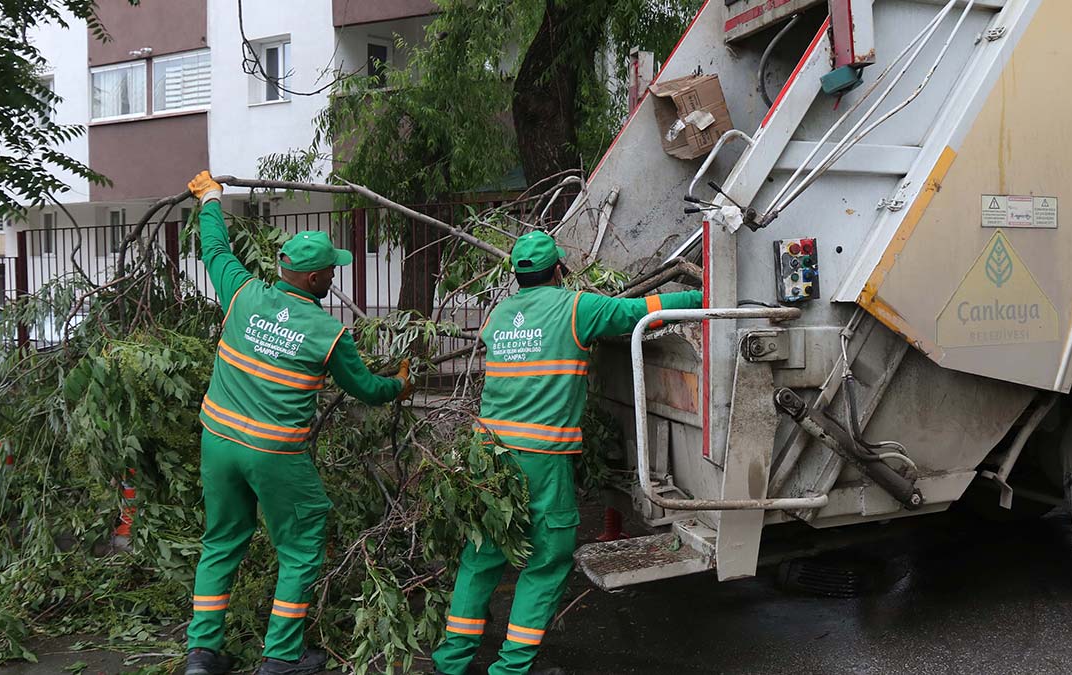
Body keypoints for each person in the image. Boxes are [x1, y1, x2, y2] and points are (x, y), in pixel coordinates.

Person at [431, 231, 703, 675]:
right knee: (547, 557)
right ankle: (512, 668)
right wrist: (704, 294)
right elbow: (641, 312)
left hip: (489, 455)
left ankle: (450, 662)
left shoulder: (497, 316)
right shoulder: (577, 307)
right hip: (540, 457)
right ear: (559, 269)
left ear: (516, 275)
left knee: (481, 556)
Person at [183, 171, 412, 675]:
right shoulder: (328, 333)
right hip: (275, 454)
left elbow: (215, 250)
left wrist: (212, 199)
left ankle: (202, 655)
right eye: (331, 271)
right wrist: (400, 384)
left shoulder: (242, 295)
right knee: (304, 541)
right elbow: (366, 390)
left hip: (218, 441)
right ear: (313, 280)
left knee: (221, 541)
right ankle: (281, 657)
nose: (334, 276)